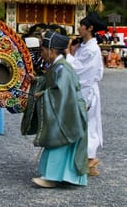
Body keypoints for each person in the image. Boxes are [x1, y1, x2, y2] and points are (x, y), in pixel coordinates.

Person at [22, 30, 88, 188]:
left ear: (52, 51)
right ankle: (63, 177)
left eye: (43, 50)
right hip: (66, 111)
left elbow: (60, 92)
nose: (41, 53)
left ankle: (53, 177)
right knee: (60, 144)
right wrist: (37, 80)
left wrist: (43, 94)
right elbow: (50, 82)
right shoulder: (57, 66)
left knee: (58, 141)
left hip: (68, 112)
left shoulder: (62, 68)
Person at [66, 12, 106, 176]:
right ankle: (89, 161)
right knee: (86, 123)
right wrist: (73, 52)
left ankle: (90, 159)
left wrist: (68, 54)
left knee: (88, 124)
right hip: (84, 89)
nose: (79, 28)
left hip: (87, 90)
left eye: (82, 25)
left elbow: (81, 70)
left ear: (89, 28)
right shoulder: (85, 46)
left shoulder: (93, 49)